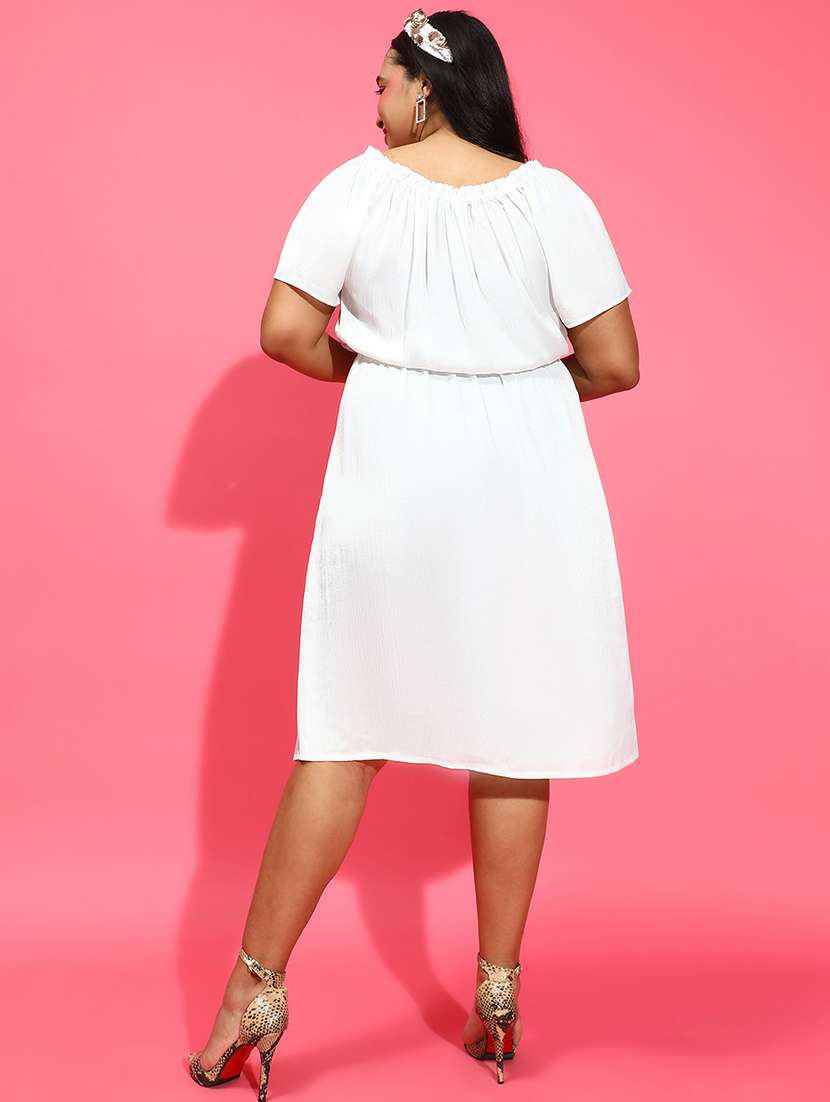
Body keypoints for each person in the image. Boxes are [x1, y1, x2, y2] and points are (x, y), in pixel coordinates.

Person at [188, 7, 640, 1095]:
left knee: (346, 730)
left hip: (391, 474)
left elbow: (286, 332)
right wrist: (509, 388)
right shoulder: (554, 200)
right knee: (515, 730)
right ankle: (498, 993)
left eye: (383, 85)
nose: (376, 104)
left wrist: (392, 376)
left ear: (425, 87)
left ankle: (254, 993)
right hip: (527, 483)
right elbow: (615, 362)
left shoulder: (354, 190)